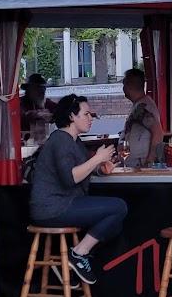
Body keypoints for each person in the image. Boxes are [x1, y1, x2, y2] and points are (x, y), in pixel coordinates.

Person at [28, 94, 126, 285]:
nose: (91, 118)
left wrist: (100, 168)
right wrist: (97, 159)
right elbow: (70, 177)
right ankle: (78, 254)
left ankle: (74, 264)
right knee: (119, 207)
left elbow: (83, 168)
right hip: (52, 207)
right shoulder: (60, 140)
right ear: (72, 116)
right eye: (87, 114)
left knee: (116, 225)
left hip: (64, 203)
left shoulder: (74, 142)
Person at [119, 68, 164, 166]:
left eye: (124, 84)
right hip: (134, 164)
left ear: (129, 86)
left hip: (140, 165)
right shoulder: (139, 104)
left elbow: (158, 133)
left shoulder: (143, 107)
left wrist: (149, 161)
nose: (123, 88)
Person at [20, 73, 53, 143]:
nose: (42, 91)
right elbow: (21, 115)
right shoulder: (20, 103)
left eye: (43, 88)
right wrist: (36, 114)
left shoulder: (47, 103)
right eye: (38, 88)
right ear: (29, 89)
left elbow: (60, 111)